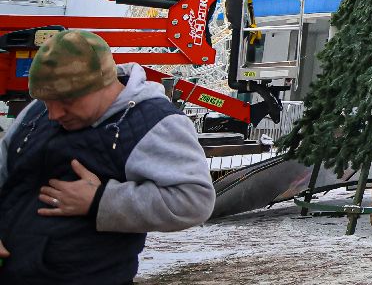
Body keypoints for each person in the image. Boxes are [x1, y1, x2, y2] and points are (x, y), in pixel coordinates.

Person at [0, 30, 215, 283]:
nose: (53, 114)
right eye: (47, 101)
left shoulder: (154, 122)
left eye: (65, 101)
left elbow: (195, 199)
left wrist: (101, 200)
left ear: (101, 84)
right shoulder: (37, 112)